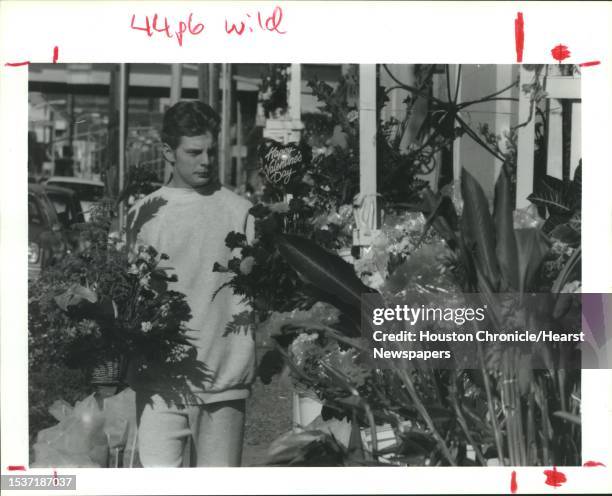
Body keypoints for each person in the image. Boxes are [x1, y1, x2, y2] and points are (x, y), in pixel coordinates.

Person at [124, 101, 256, 467]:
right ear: (168, 152)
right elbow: (129, 296)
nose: (205, 161)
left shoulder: (241, 212)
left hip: (223, 381)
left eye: (210, 151)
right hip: (159, 385)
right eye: (194, 152)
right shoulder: (144, 214)